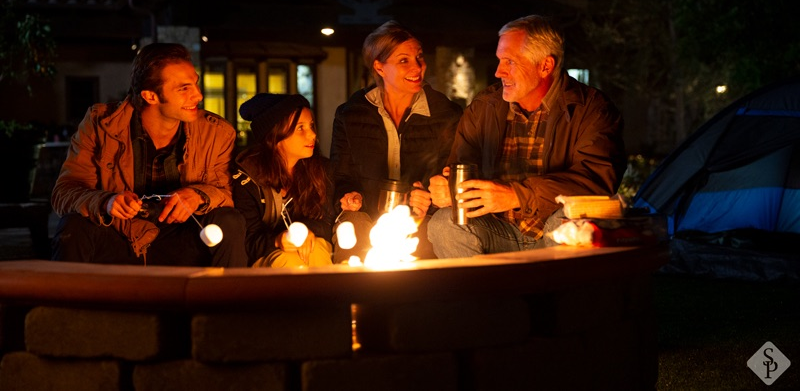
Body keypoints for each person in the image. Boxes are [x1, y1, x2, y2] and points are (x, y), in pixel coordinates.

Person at [427, 15, 626, 258]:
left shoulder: (591, 109)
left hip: (553, 232)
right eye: (500, 60)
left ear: (545, 66)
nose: (499, 72)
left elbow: (595, 184)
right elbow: (459, 168)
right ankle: (479, 295)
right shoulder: (484, 107)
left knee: (570, 219)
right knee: (444, 223)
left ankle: (556, 295)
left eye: (509, 62)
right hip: (496, 229)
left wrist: (515, 195)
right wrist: (448, 189)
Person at [51, 43, 247, 267]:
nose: (198, 95)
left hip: (182, 238)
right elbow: (63, 193)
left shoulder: (216, 132)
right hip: (120, 235)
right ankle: (64, 299)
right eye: (184, 88)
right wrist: (106, 201)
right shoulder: (100, 124)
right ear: (150, 96)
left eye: (195, 83)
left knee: (229, 221)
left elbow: (227, 193)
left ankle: (232, 298)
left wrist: (198, 196)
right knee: (73, 226)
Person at [330, 20, 463, 262]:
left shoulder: (446, 114)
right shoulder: (351, 115)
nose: (417, 67)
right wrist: (349, 195)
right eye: (404, 60)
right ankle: (352, 295)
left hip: (421, 219)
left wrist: (430, 199)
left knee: (430, 236)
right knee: (353, 226)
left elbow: (453, 176)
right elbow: (341, 177)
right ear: (379, 67)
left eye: (419, 57)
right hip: (367, 215)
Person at [234, 93, 334, 267]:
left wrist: (308, 229)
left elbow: (328, 220)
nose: (312, 135)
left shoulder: (319, 169)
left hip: (311, 246)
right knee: (289, 260)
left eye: (311, 126)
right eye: (300, 128)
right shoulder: (247, 178)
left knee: (316, 250)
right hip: (267, 254)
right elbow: (247, 241)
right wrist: (277, 240)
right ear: (275, 135)